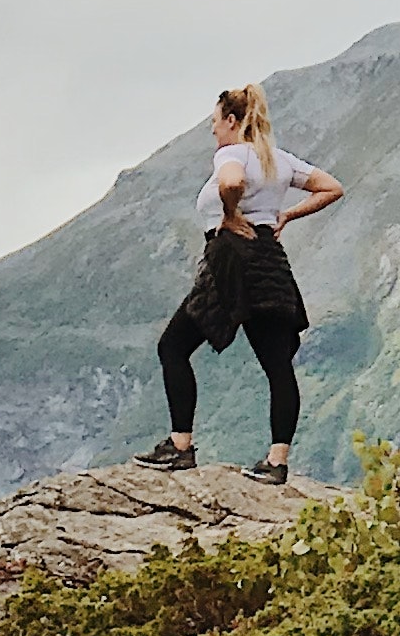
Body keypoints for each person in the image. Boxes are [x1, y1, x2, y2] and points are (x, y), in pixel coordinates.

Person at [137, 85, 344, 481]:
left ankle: (180, 446)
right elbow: (332, 187)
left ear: (231, 121)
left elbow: (230, 182)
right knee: (277, 366)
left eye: (215, 123)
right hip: (269, 259)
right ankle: (277, 461)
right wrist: (285, 216)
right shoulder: (279, 160)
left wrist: (230, 214)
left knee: (174, 346)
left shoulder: (231, 154)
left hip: (231, 257)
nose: (213, 131)